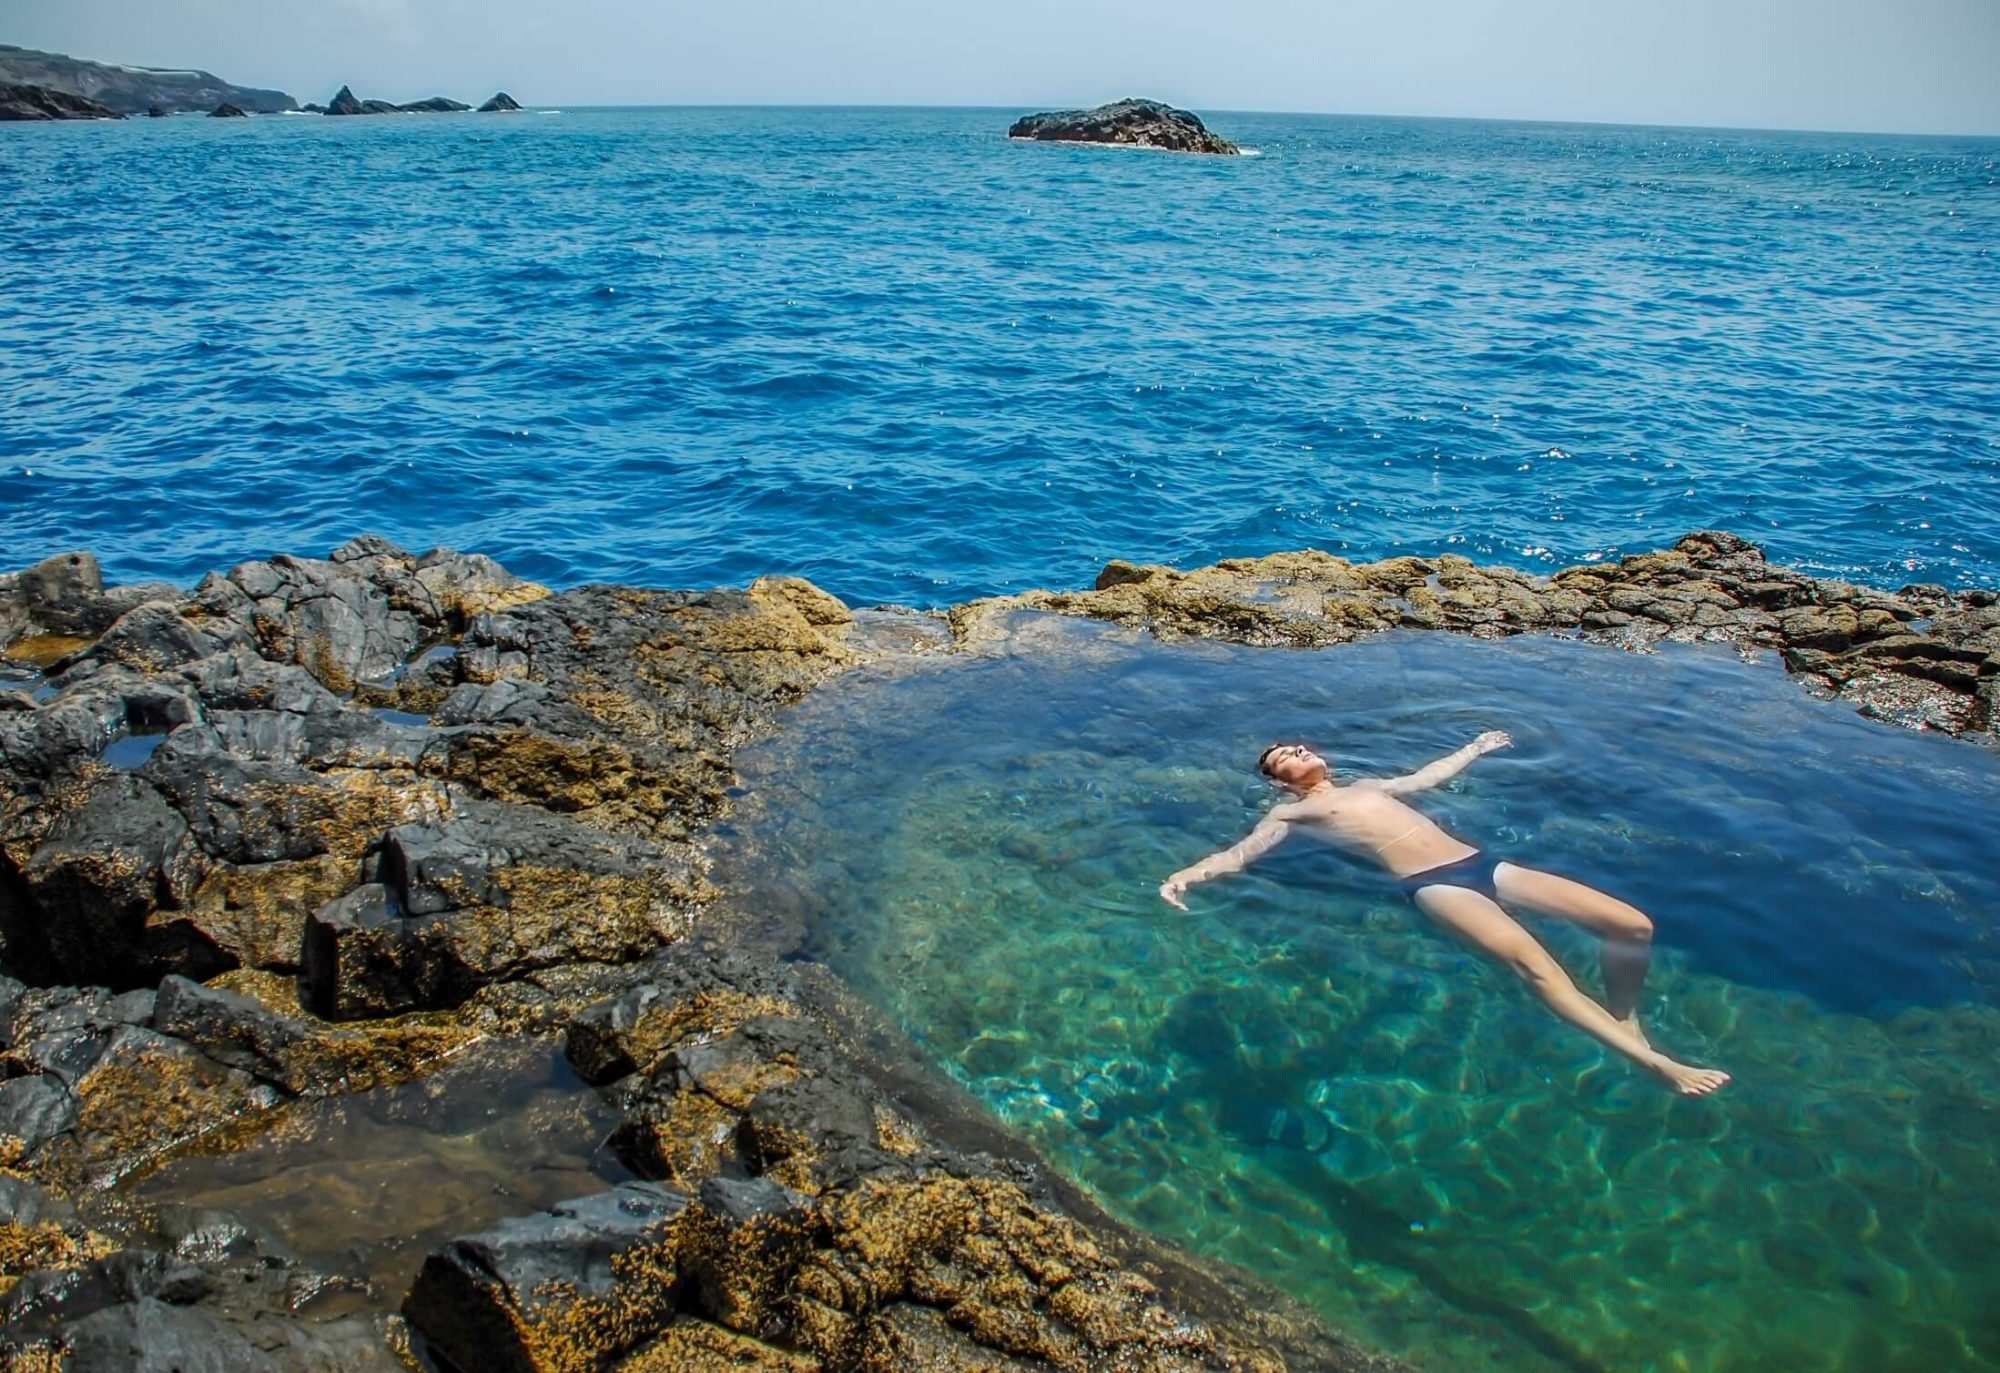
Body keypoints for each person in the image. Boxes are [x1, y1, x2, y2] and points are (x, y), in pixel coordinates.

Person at [1159, 732, 1730, 1096]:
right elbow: (1237, 854)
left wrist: (1475, 748)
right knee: (1537, 970)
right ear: (1274, 780)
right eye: (1284, 757)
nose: (1298, 753)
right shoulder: (1289, 817)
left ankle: (1624, 1018)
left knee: (1631, 924)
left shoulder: (1372, 785)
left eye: (1299, 746)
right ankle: (1654, 1065)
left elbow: (1431, 776)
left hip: (1483, 865)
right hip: (1432, 886)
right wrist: (1186, 875)